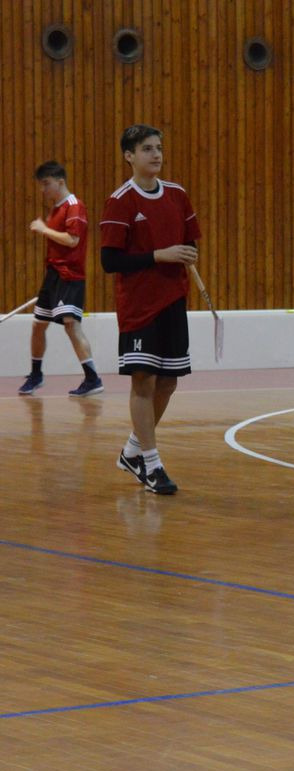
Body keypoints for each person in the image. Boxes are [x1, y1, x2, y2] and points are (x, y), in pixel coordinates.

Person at [100, 125, 201, 495]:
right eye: (147, 149)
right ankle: (152, 464)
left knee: (169, 382)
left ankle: (132, 451)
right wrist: (160, 255)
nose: (156, 154)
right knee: (144, 381)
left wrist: (187, 254)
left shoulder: (177, 195)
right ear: (129, 156)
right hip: (139, 307)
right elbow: (109, 261)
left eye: (158, 147)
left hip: (173, 301)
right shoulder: (120, 201)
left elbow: (190, 243)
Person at [19, 161, 102, 397]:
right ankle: (36, 374)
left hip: (70, 276)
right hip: (53, 275)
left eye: (46, 184)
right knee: (38, 324)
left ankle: (92, 378)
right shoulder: (56, 208)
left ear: (60, 181)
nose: (43, 189)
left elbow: (72, 240)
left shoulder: (74, 206)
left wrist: (44, 229)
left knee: (70, 324)